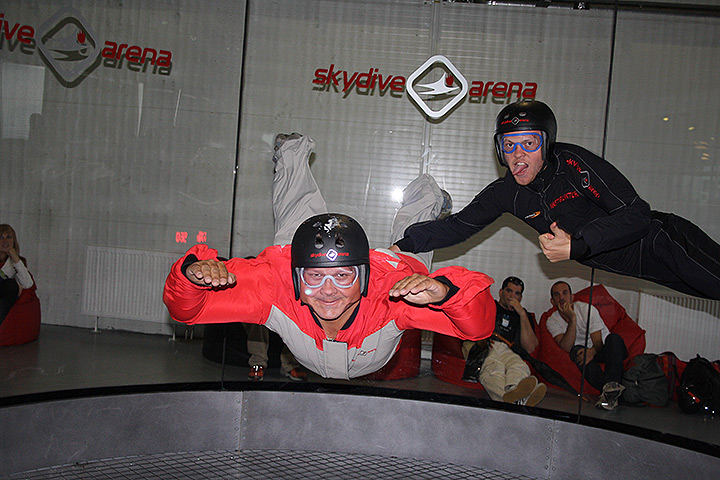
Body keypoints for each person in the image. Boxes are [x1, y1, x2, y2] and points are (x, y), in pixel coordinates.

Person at [164, 134, 497, 380]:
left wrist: (448, 293)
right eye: (314, 276)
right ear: (297, 277)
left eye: (342, 276)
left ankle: (430, 195)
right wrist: (192, 275)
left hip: (389, 272)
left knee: (414, 237)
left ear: (363, 278)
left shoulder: (395, 294)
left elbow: (480, 327)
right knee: (293, 236)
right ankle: (291, 152)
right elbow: (186, 311)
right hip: (294, 273)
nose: (327, 291)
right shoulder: (277, 283)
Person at [391, 100, 720, 300]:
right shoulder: (507, 193)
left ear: (546, 144)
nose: (518, 155)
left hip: (665, 243)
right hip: (643, 268)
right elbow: (458, 227)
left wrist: (578, 245)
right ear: (499, 150)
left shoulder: (572, 164)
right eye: (509, 145)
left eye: (529, 144)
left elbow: (637, 214)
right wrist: (402, 245)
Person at [462, 276, 546, 406]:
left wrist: (522, 314)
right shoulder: (489, 305)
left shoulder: (523, 315)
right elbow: (469, 324)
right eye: (509, 291)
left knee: (520, 366)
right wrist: (482, 338)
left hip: (507, 350)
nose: (512, 296)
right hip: (484, 346)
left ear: (521, 298)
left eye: (517, 294)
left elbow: (530, 347)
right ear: (501, 292)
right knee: (495, 367)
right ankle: (516, 401)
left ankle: (514, 392)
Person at [547, 281, 627, 410]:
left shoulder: (586, 309)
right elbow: (566, 347)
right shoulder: (552, 320)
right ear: (552, 301)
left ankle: (610, 388)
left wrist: (592, 352)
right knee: (575, 351)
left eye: (565, 293)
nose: (561, 298)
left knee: (614, 338)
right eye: (557, 295)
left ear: (572, 297)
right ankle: (610, 392)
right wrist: (572, 319)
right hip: (583, 352)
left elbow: (598, 343)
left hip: (605, 348)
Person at [0, 224, 34, 326]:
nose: (5, 241)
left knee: (11, 285)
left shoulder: (18, 262)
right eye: (1, 237)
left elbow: (28, 284)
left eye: (9, 237)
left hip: (4, 297)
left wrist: (15, 258)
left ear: (14, 241)